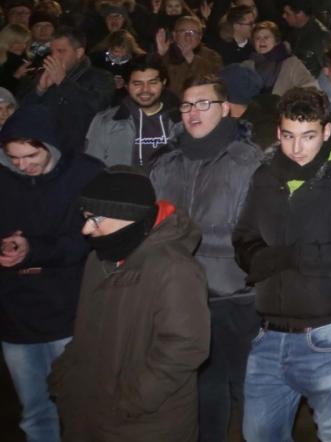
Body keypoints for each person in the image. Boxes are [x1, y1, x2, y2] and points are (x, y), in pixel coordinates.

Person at [233, 86, 331, 442]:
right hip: (269, 332)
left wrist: (295, 256)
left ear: (327, 132)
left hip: (328, 333)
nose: (297, 148)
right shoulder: (265, 177)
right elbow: (243, 238)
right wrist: (269, 259)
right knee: (258, 433)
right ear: (278, 133)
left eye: (308, 137)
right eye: (288, 136)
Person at [46, 166, 209, 441]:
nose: (86, 229)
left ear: (127, 218)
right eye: (84, 217)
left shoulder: (174, 268)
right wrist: (66, 376)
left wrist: (132, 400)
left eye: (94, 219)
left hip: (142, 423)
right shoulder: (100, 258)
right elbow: (85, 328)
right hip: (90, 410)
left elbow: (185, 347)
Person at [148, 74, 264, 442]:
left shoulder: (248, 162)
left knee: (247, 385)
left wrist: (187, 237)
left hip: (236, 295)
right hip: (183, 297)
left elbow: (254, 233)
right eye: (186, 105)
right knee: (202, 386)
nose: (193, 112)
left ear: (225, 108)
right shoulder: (166, 164)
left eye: (203, 104)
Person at [0, 106, 102, 442]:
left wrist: (34, 249)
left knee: (80, 406)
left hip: (68, 310)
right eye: (12, 158)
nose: (22, 165)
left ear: (51, 147)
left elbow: (93, 239)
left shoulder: (85, 175)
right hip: (15, 316)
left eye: (30, 156)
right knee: (34, 412)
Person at [16, 29, 116, 148]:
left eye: (61, 51)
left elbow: (97, 108)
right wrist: (40, 90)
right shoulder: (44, 75)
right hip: (47, 147)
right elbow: (23, 114)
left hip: (83, 149)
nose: (55, 56)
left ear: (79, 53)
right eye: (52, 51)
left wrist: (63, 82)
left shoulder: (101, 77)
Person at [83, 54, 180, 168]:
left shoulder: (181, 121)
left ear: (163, 83)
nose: (145, 90)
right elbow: (91, 169)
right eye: (137, 83)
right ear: (126, 85)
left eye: (152, 82)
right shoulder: (105, 122)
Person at [248, 22, 316, 97]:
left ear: (276, 41)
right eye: (257, 38)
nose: (262, 41)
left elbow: (310, 86)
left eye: (266, 37)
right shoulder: (248, 65)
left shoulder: (291, 63)